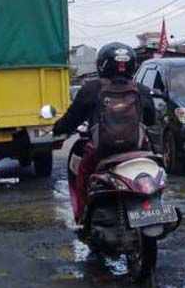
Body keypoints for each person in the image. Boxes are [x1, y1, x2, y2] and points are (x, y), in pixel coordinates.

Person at [52, 42, 156, 220]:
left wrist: (58, 129)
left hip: (102, 152)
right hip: (138, 150)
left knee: (83, 174)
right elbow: (151, 120)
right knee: (155, 167)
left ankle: (84, 217)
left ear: (101, 65)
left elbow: (71, 119)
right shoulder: (142, 90)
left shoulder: (91, 89)